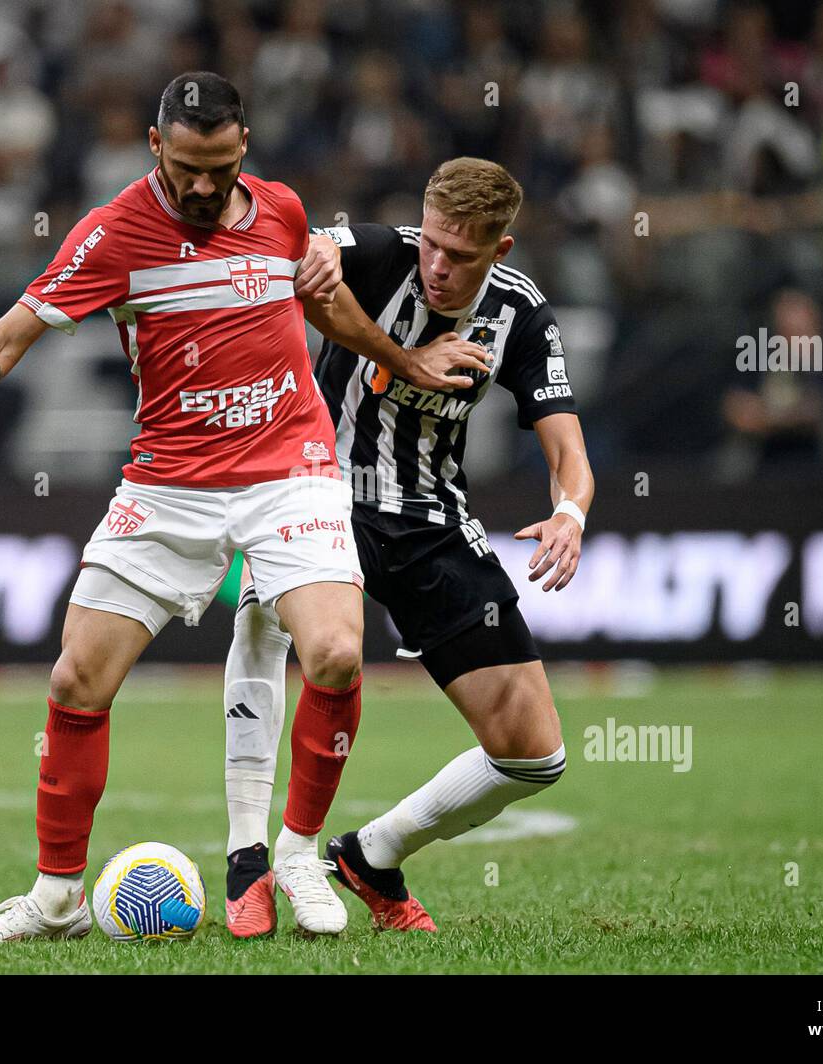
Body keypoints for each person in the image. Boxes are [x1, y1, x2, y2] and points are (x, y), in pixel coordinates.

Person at [0, 73, 490, 940]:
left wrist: (403, 361)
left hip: (288, 470)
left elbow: (328, 309)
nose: (202, 185)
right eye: (187, 166)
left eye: (220, 165)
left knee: (338, 653)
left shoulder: (282, 211)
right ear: (157, 146)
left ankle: (298, 857)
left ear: (244, 146)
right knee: (78, 676)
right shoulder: (113, 234)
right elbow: (7, 337)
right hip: (169, 481)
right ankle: (56, 900)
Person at [222, 157, 594, 936]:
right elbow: (305, 259)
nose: (436, 266)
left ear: (502, 249)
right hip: (316, 493)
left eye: (460, 255)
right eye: (431, 243)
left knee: (535, 754)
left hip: (429, 519)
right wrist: (316, 250)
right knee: (263, 624)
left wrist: (570, 512)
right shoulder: (378, 253)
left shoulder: (522, 314)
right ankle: (250, 857)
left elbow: (567, 446)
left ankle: (370, 855)